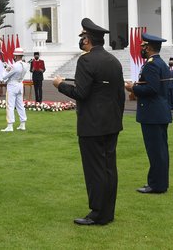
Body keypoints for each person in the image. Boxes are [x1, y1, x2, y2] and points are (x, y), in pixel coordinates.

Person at [53, 18, 125, 226]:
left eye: (82, 37)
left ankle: (97, 213)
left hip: (92, 125)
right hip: (111, 123)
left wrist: (60, 85)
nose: (81, 40)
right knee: (109, 168)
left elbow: (81, 93)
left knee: (95, 171)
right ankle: (107, 212)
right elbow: (119, 95)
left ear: (87, 39)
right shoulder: (114, 61)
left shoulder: (86, 61)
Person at [125, 33, 172, 194]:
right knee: (160, 151)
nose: (141, 49)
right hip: (158, 112)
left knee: (156, 151)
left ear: (149, 47)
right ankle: (159, 182)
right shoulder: (160, 63)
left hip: (153, 113)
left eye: (143, 47)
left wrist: (133, 88)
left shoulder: (152, 64)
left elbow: (152, 89)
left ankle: (157, 185)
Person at [0, 47, 28, 132]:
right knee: (20, 105)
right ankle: (22, 124)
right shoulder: (25, 65)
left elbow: (4, 76)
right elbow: (14, 70)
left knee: (10, 106)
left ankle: (10, 125)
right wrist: (8, 67)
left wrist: (5, 69)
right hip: (20, 85)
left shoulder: (15, 66)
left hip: (12, 86)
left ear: (16, 56)